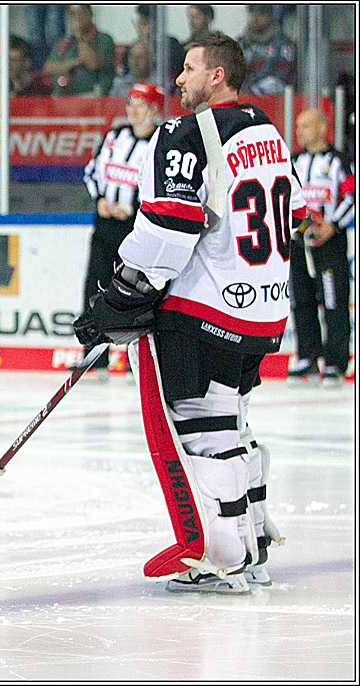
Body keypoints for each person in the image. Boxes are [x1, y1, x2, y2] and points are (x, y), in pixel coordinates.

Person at [75, 33, 305, 594]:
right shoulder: (265, 130)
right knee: (233, 422)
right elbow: (295, 211)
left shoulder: (186, 132)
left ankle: (225, 557)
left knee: (205, 433)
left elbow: (168, 227)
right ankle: (252, 547)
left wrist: (122, 294)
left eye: (188, 68)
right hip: (264, 307)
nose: (179, 80)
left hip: (205, 308)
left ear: (217, 76)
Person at [77, 82, 163, 376]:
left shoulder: (159, 144)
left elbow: (160, 188)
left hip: (136, 230)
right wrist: (100, 199)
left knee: (136, 293)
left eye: (139, 104)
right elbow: (92, 171)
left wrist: (137, 208)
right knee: (95, 287)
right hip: (105, 226)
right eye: (130, 103)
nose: (132, 109)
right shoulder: (114, 136)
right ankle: (93, 354)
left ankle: (135, 360)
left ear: (154, 109)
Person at [287, 108, 355, 386]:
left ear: (322, 127)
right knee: (301, 299)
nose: (299, 131)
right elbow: (288, 197)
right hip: (301, 240)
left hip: (330, 242)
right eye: (298, 125)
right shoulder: (294, 161)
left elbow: (351, 197)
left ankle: (336, 362)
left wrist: (333, 225)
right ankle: (307, 357)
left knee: (333, 301)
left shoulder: (340, 161)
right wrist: (297, 227)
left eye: (306, 125)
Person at [43, 5, 115, 97]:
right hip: (62, 97)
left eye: (81, 12)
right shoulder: (65, 42)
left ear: (90, 14)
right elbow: (48, 68)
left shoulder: (103, 39)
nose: (77, 17)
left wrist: (80, 36)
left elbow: (93, 63)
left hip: (91, 96)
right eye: (73, 14)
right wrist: (75, 62)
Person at [238, 5, 295, 95]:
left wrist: (253, 91)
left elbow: (282, 78)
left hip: (273, 101)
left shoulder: (283, 44)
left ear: (270, 15)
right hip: (242, 99)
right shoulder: (241, 43)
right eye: (252, 11)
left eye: (261, 13)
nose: (255, 17)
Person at [131, 5, 184, 93]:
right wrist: (142, 39)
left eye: (146, 21)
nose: (143, 24)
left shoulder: (169, 43)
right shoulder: (134, 47)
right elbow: (125, 72)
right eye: (141, 20)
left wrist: (147, 40)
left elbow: (169, 70)